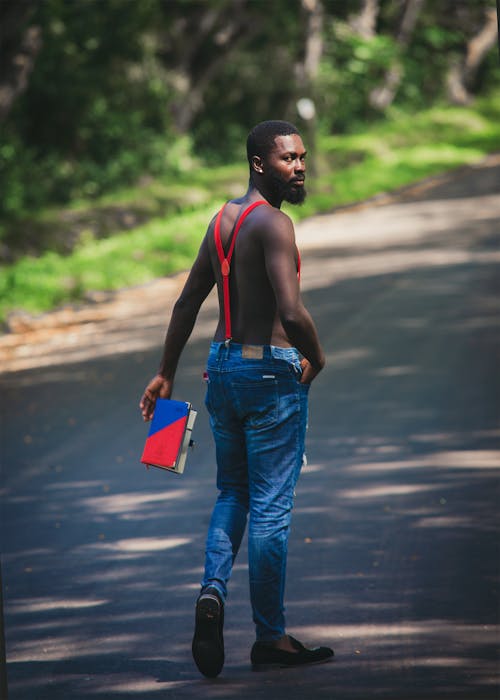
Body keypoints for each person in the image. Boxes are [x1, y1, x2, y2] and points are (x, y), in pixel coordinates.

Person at [140, 120, 333, 677]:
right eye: (287, 159)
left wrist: (165, 374)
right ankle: (271, 639)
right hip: (269, 373)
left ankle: (212, 592)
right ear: (258, 163)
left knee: (232, 492)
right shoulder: (275, 225)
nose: (298, 166)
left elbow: (186, 303)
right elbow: (292, 313)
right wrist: (317, 359)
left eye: (301, 157)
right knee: (271, 509)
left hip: (221, 368)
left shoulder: (223, 219)